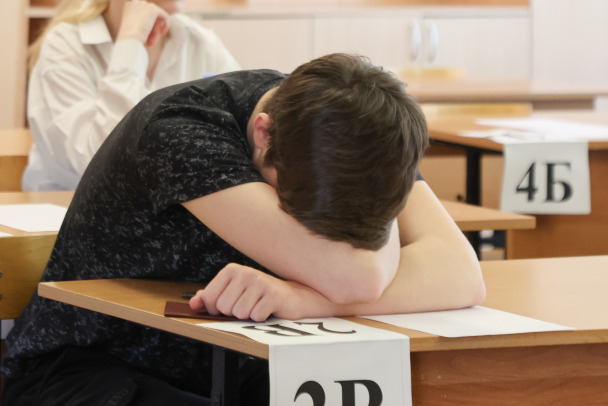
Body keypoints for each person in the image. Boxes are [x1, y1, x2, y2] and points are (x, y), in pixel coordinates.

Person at [2, 53, 485, 405]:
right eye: (304, 215)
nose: (340, 240)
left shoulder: (358, 129)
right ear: (263, 133)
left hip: (238, 360)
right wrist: (364, 253)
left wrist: (303, 299)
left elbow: (461, 275)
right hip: (86, 369)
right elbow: (360, 277)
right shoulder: (181, 130)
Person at [23, 0, 240, 191]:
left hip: (172, 211)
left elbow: (243, 133)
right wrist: (130, 42)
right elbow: (104, 165)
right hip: (68, 210)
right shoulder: (64, 45)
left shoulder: (200, 41)